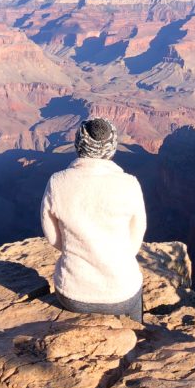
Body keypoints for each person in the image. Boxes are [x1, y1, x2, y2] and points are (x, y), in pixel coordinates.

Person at [40, 117, 146, 323]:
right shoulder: (129, 184)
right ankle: (136, 339)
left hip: (73, 294)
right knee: (133, 302)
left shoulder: (57, 182)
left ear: (78, 145)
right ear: (112, 148)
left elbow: (52, 236)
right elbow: (136, 235)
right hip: (121, 293)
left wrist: (76, 249)